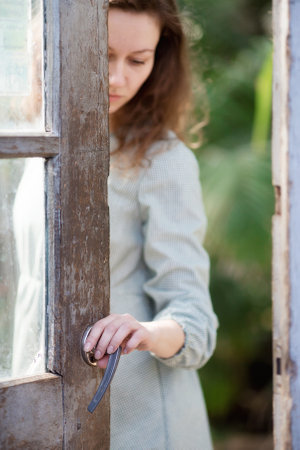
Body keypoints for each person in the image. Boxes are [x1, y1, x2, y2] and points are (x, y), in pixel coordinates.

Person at [84, 1, 218, 448]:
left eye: (138, 60)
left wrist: (145, 332)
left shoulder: (164, 160)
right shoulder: (38, 143)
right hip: (51, 410)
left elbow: (194, 323)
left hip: (141, 423)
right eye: (102, 55)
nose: (119, 77)